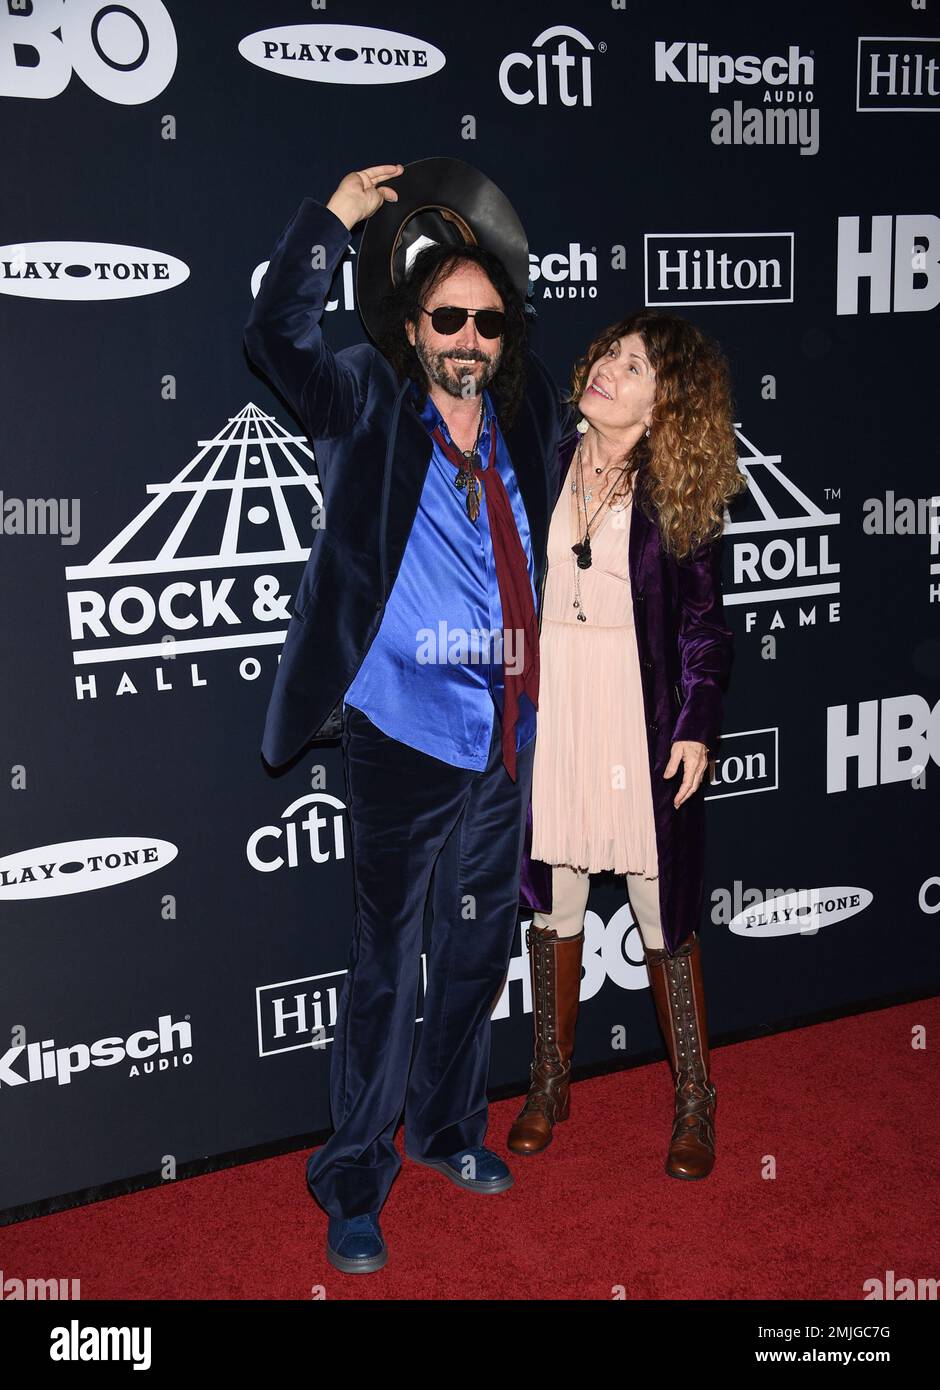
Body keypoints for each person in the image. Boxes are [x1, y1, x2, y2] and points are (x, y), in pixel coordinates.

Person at [243, 163, 571, 1273]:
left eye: (488, 321)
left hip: (509, 734)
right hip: (404, 732)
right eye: (448, 319)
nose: (469, 339)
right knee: (386, 967)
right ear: (413, 325)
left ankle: (444, 1129)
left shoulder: (527, 414)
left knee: (475, 950)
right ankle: (352, 1179)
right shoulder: (363, 398)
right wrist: (329, 222)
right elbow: (272, 336)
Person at [509, 311, 746, 1179]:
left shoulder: (674, 490)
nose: (609, 366)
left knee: (662, 912)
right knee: (554, 901)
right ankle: (549, 1081)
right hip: (555, 707)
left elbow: (705, 627)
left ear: (663, 405)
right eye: (612, 352)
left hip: (636, 717)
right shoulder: (542, 457)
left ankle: (695, 1101)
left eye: (635, 365)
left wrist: (696, 726)